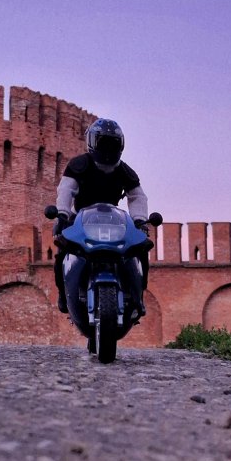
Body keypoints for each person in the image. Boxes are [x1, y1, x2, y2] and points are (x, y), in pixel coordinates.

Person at [53, 118, 150, 315]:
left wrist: (140, 221)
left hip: (112, 218)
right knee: (62, 253)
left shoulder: (124, 170)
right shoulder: (79, 165)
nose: (107, 148)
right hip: (81, 218)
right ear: (92, 142)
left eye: (111, 143)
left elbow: (137, 196)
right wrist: (62, 215)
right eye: (103, 143)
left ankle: (138, 295)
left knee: (139, 250)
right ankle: (63, 294)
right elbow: (66, 190)